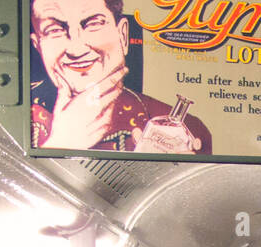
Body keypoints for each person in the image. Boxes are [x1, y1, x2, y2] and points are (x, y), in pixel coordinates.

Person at [30, 0, 212, 154]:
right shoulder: (21, 119)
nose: (76, 49)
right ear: (38, 46)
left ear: (123, 35)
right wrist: (62, 144)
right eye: (54, 30)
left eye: (93, 24)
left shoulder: (186, 130)